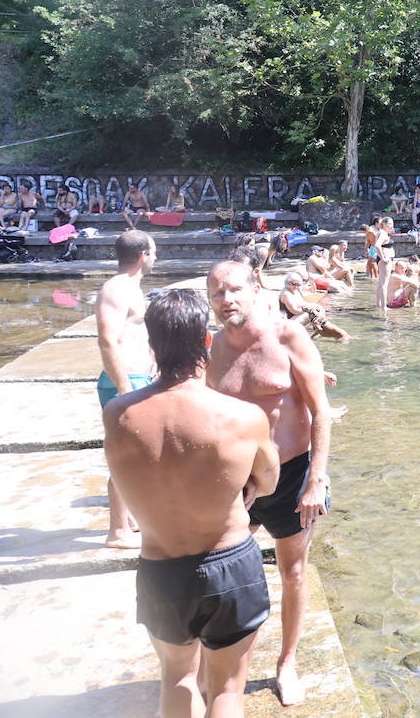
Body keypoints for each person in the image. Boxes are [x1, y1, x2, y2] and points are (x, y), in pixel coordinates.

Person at [103, 289, 280, 718]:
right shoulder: (242, 417)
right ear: (206, 342)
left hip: (161, 570)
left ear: (151, 346)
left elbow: (128, 479)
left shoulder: (118, 415)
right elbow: (270, 482)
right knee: (227, 690)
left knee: (177, 677)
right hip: (229, 565)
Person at [206, 260, 336, 707]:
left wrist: (316, 479)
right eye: (217, 293)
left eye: (234, 290)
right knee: (220, 570)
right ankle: (227, 661)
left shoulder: (287, 337)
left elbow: (320, 412)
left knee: (293, 571)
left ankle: (287, 663)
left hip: (294, 476)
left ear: (256, 286)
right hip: (239, 482)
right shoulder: (213, 348)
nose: (226, 301)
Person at [95, 229, 158, 549]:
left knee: (141, 456)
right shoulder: (116, 289)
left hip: (137, 380)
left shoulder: (132, 288)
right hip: (125, 381)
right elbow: (107, 338)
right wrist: (123, 387)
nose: (156, 256)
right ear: (144, 255)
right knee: (127, 458)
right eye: (154, 251)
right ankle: (117, 531)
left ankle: (129, 518)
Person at [279, 273, 351, 341]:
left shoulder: (296, 290)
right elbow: (294, 311)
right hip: (289, 321)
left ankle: (318, 328)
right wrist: (309, 309)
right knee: (310, 313)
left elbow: (312, 291)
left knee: (318, 308)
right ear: (288, 283)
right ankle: (318, 328)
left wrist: (312, 282)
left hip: (298, 315)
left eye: (298, 284)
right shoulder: (286, 294)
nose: (296, 286)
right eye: (294, 284)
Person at [371, 217, 396, 312]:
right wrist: (383, 258)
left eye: (392, 224)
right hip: (385, 260)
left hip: (382, 259)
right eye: (389, 224)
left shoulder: (381, 232)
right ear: (384, 224)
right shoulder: (383, 233)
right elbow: (377, 245)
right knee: (384, 284)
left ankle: (378, 305)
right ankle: (384, 307)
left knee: (381, 283)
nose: (391, 226)